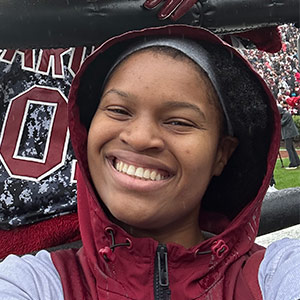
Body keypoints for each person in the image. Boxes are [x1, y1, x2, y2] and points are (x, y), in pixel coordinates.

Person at [1, 24, 298, 299]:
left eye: (179, 122)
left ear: (222, 153)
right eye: (118, 110)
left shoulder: (275, 274)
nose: (141, 137)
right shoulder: (32, 282)